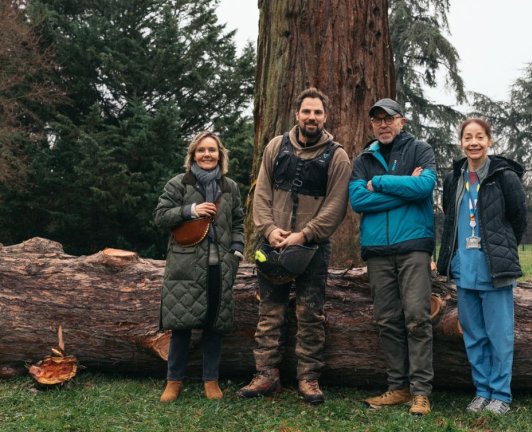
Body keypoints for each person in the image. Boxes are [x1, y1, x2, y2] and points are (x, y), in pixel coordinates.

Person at [238, 87, 351, 405]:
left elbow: (336, 204)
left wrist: (305, 234)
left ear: (325, 116)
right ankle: (266, 375)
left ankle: (308, 378)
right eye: (306, 111)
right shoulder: (277, 146)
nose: (311, 117)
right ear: (297, 114)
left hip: (312, 249)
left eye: (317, 112)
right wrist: (269, 229)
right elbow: (261, 193)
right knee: (269, 311)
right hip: (272, 244)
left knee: (310, 314)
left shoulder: (337, 155)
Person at [349, 98, 437, 415]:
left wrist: (381, 183)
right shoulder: (363, 158)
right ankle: (397, 388)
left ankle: (421, 392)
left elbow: (425, 187)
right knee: (387, 321)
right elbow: (358, 199)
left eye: (389, 118)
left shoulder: (420, 150)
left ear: (402, 121)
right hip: (377, 252)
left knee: (416, 318)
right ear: (372, 124)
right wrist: (405, 188)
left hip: (413, 246)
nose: (383, 124)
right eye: (377, 120)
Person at [436, 118, 527, 415]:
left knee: (499, 336)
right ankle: (482, 391)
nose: (473, 142)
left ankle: (501, 395)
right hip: (465, 269)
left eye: (479, 137)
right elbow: (450, 219)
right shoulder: (453, 179)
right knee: (473, 335)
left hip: (495, 270)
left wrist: (502, 248)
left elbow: (518, 219)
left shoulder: (504, 176)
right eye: (467, 137)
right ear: (460, 141)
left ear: (489, 140)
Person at [153, 131, 245, 402]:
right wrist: (190, 210)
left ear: (220, 155)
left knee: (214, 326)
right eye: (202, 150)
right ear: (193, 155)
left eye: (212, 150)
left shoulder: (230, 187)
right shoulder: (178, 184)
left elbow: (238, 221)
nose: (207, 154)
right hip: (185, 265)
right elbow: (160, 216)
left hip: (221, 265)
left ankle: (211, 380)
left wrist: (237, 251)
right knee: (180, 325)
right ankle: (174, 382)